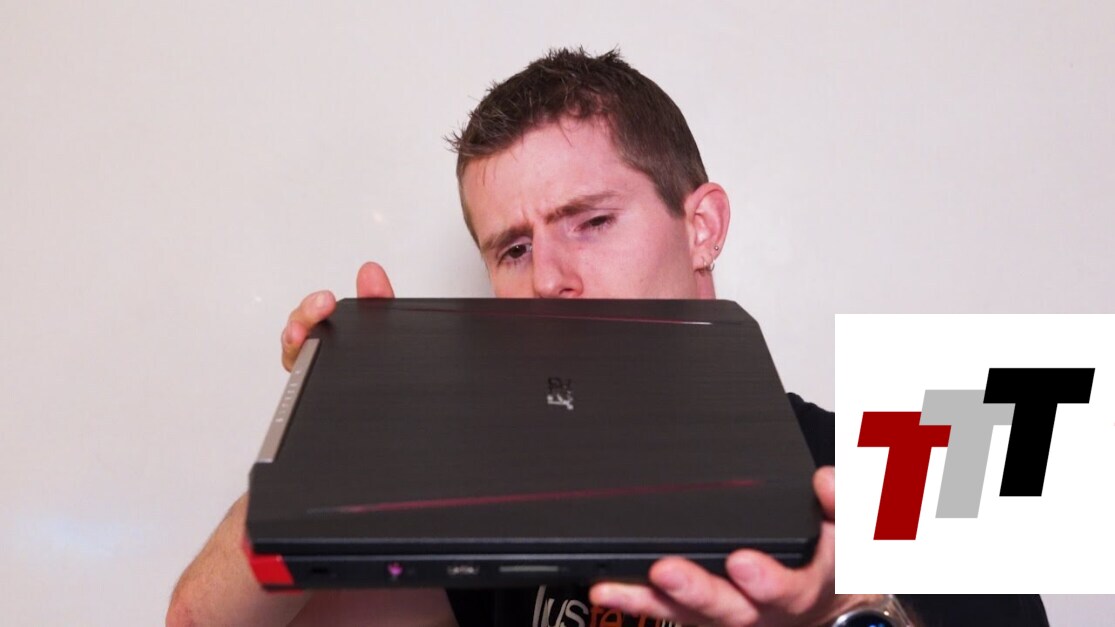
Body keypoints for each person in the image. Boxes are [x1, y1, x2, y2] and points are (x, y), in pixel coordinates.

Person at [168, 48, 1048, 626]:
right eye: (514, 248)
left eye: (589, 221)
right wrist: (336, 440)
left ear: (701, 226)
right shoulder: (487, 502)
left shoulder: (924, 453)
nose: (550, 278)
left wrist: (840, 614)